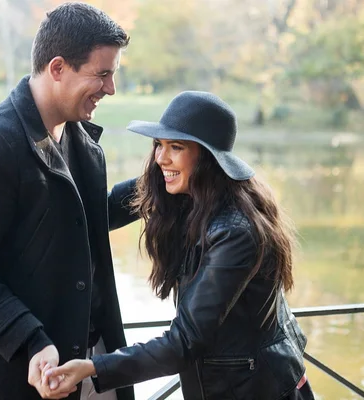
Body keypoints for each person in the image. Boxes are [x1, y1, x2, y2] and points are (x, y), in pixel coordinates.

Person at [0, 3, 137, 400]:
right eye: (102, 74)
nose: (110, 88)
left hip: (73, 374)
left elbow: (76, 221)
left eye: (113, 74)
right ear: (57, 68)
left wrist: (154, 190)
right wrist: (30, 340)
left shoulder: (79, 138)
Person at [43, 91, 315, 399]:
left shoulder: (236, 232)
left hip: (257, 390)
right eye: (159, 144)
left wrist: (94, 368)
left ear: (207, 158)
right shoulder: (177, 188)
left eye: (176, 147)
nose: (161, 157)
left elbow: (184, 341)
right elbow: (96, 214)